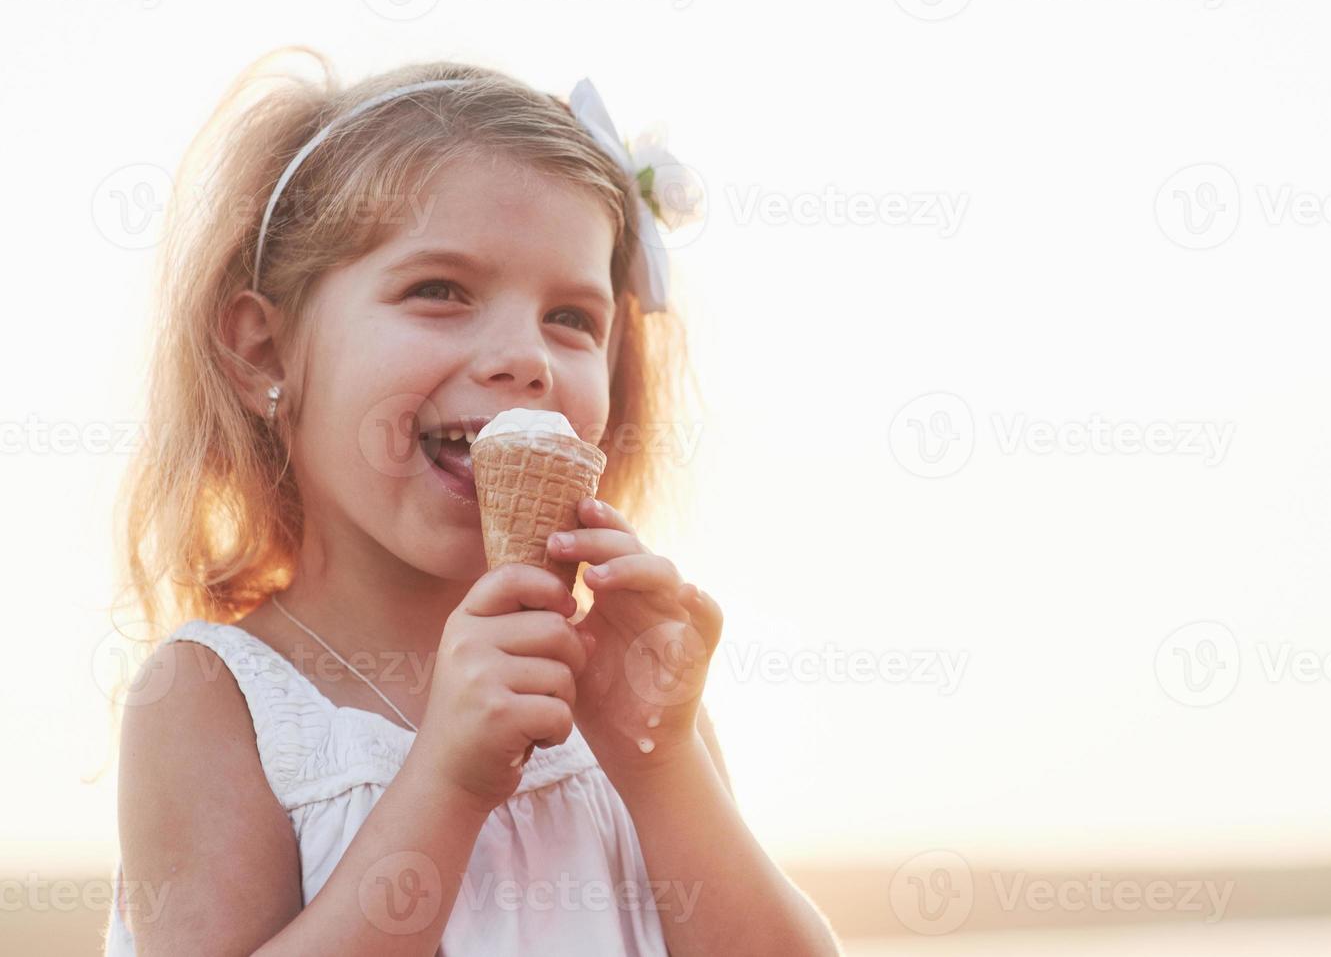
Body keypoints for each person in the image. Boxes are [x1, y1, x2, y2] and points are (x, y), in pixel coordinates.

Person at [104, 46, 841, 955]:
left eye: (572, 317)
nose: (524, 357)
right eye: (439, 291)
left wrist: (661, 763)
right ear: (266, 352)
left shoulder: (618, 695)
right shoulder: (214, 700)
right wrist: (446, 786)